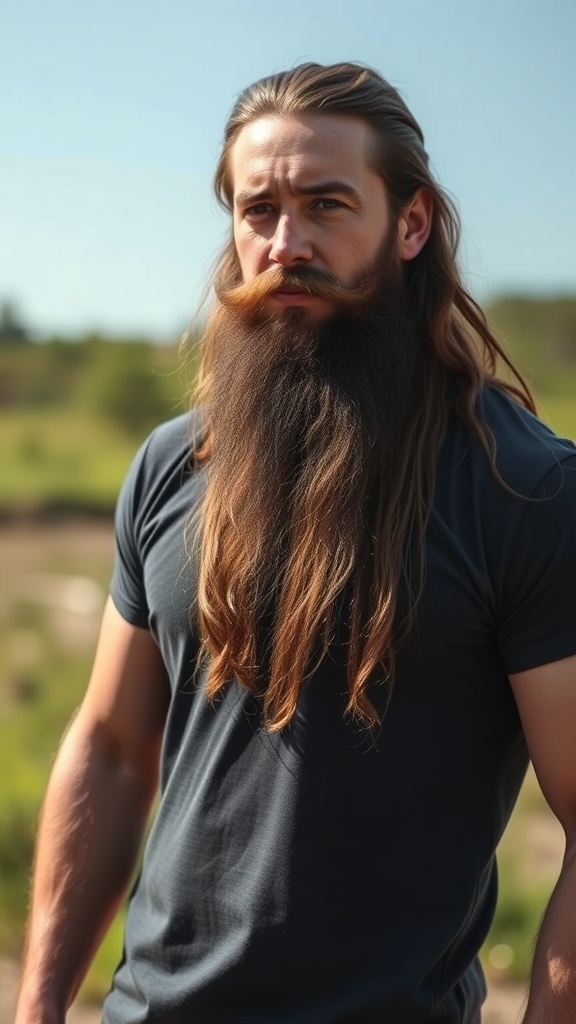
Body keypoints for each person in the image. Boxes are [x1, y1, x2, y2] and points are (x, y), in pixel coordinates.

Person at [16, 62, 576, 1024]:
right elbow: (110, 748)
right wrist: (37, 1008)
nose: (286, 243)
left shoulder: (524, 489)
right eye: (258, 209)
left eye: (327, 205)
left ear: (411, 224)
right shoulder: (171, 467)